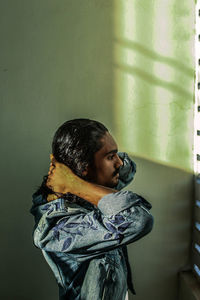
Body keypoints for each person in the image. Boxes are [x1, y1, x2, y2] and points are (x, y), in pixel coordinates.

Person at [30, 118, 153, 300]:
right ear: (84, 167)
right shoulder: (57, 227)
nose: (119, 163)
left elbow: (128, 168)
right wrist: (74, 184)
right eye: (111, 157)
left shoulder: (89, 189)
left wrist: (73, 182)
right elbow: (139, 220)